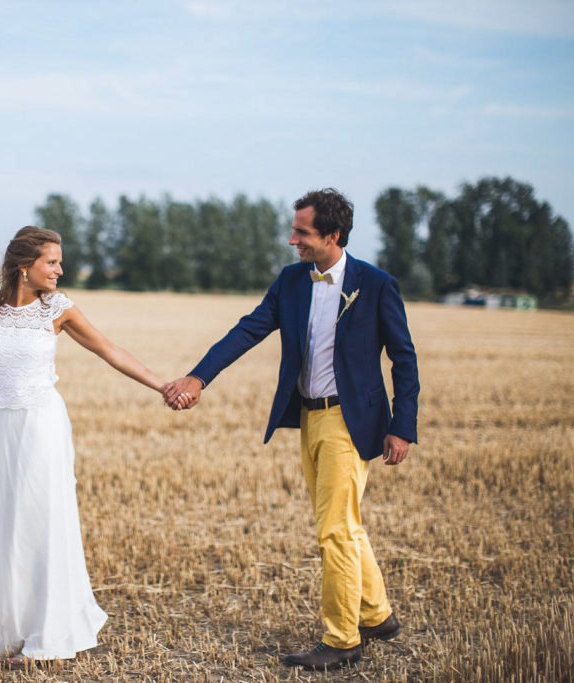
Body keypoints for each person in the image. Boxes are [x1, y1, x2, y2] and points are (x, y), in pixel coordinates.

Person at [0, 226, 186, 667]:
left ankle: (47, 636)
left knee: (43, 520)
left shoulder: (59, 309)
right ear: (24, 266)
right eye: (52, 262)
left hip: (43, 426)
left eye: (59, 262)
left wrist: (162, 385)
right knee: (13, 522)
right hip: (7, 426)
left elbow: (109, 350)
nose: (60, 269)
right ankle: (16, 627)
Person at [163, 188, 419, 671]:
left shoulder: (377, 284)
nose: (291, 240)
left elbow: (403, 359)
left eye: (301, 232)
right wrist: (198, 377)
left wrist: (402, 426)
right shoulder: (291, 282)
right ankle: (377, 614)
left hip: (353, 421)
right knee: (344, 522)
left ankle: (343, 639)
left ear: (332, 235)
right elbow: (248, 329)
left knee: (334, 531)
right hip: (309, 417)